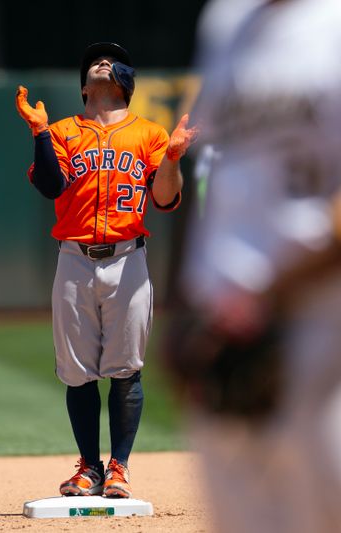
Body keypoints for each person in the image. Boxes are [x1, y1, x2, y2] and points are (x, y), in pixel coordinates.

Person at [172, 0, 341, 531]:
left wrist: (267, 295)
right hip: (223, 337)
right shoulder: (226, 21)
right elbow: (218, 177)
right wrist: (185, 307)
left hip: (322, 325)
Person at [15, 42, 196, 499]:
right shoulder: (59, 131)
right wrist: (39, 133)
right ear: (83, 86)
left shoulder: (149, 134)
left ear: (125, 82)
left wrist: (172, 158)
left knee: (125, 368)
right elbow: (50, 185)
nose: (101, 61)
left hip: (128, 257)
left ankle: (119, 468)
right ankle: (88, 468)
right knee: (76, 372)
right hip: (74, 258)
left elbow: (165, 199)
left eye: (110, 59)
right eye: (93, 60)